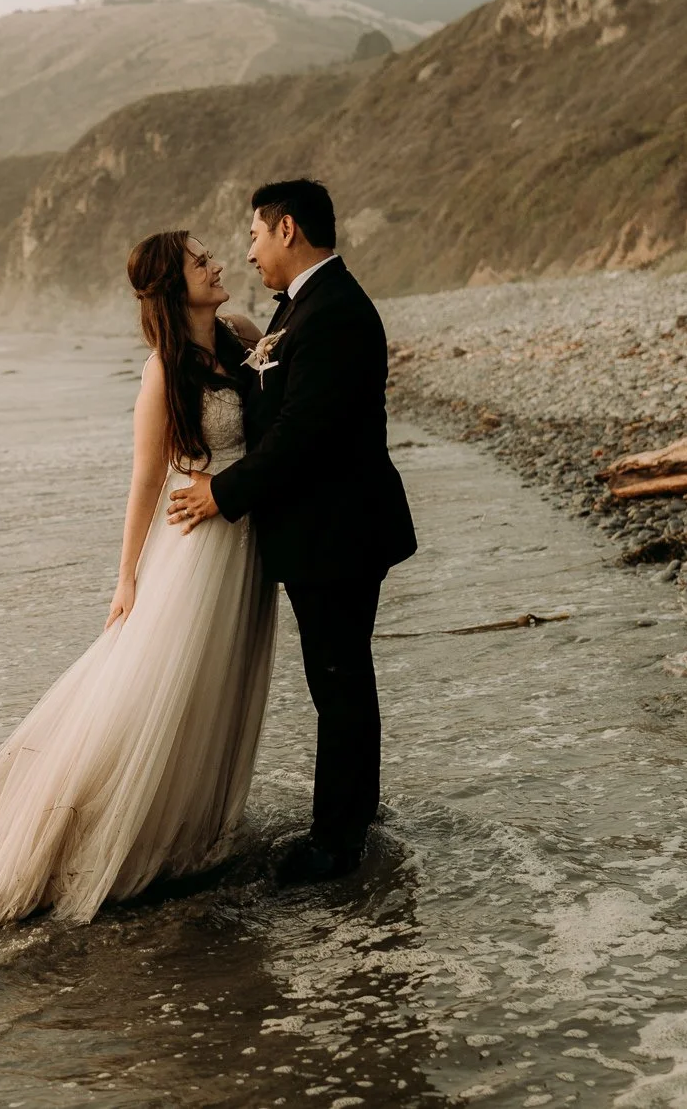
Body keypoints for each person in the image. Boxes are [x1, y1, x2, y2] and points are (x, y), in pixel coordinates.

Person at [0, 231, 276, 939]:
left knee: (218, 687)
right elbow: (145, 478)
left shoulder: (240, 335)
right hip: (196, 547)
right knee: (157, 690)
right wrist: (127, 577)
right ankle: (102, 838)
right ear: (177, 286)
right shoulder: (162, 372)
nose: (219, 264)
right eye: (202, 262)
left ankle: (191, 828)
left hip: (243, 538)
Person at [167, 179, 417, 886]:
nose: (246, 250)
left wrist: (223, 492)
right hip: (325, 529)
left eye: (252, 234)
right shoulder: (301, 308)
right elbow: (272, 403)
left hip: (338, 530)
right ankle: (352, 817)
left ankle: (334, 844)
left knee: (338, 680)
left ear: (286, 229)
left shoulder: (334, 312)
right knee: (338, 677)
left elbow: (304, 434)